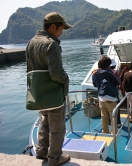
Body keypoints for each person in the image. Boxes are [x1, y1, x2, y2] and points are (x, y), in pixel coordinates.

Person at [26, 12, 72, 165]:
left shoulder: (31, 42)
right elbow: (57, 74)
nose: (61, 32)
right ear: (53, 26)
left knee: (44, 122)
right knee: (57, 128)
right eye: (61, 29)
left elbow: (30, 70)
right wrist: (67, 80)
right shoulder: (51, 44)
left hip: (39, 93)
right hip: (53, 94)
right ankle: (55, 158)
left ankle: (41, 151)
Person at [92, 56, 120, 133]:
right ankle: (114, 132)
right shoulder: (109, 72)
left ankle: (105, 131)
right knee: (113, 116)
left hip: (101, 97)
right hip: (111, 97)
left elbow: (95, 84)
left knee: (104, 116)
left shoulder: (95, 73)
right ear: (109, 64)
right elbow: (118, 82)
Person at [109, 59, 122, 128]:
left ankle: (109, 121)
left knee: (108, 107)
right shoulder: (115, 72)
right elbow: (118, 82)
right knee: (117, 107)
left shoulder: (105, 72)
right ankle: (118, 123)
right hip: (114, 92)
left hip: (106, 93)